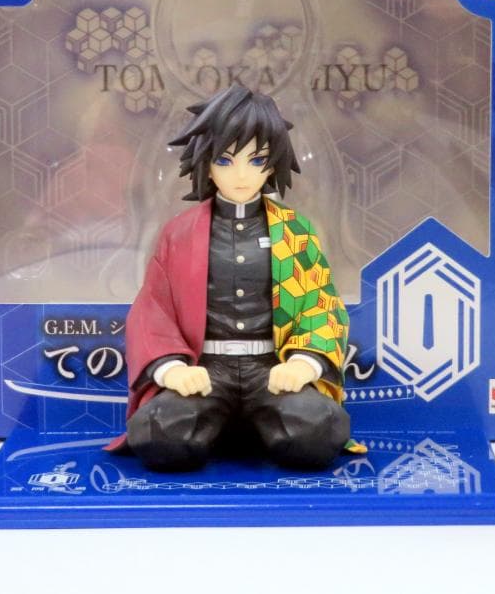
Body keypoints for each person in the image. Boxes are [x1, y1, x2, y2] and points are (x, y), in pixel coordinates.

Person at [107, 85, 361, 471]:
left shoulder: (295, 232)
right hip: (206, 370)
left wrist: (303, 363)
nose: (241, 175)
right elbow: (152, 309)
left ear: (272, 164)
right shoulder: (180, 233)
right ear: (206, 163)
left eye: (256, 160)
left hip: (271, 369)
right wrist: (172, 369)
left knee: (317, 431)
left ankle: (261, 425)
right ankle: (215, 425)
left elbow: (321, 304)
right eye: (225, 161)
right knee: (160, 435)